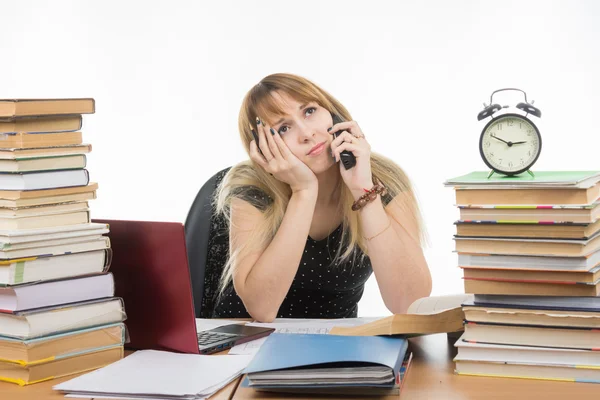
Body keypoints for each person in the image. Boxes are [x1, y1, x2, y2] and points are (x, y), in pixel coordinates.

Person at [211, 73, 432, 322]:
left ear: (333, 113)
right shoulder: (251, 186)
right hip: (244, 345)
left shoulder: (383, 179)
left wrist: (363, 190)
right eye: (283, 128)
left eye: (309, 111)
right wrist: (303, 192)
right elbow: (262, 308)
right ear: (263, 147)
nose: (307, 133)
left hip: (338, 346)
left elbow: (410, 303)